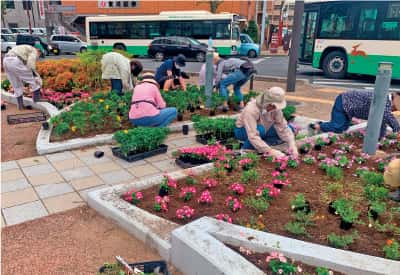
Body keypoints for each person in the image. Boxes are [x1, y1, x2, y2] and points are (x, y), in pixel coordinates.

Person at [234, 87, 298, 158]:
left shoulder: (275, 109)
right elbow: (252, 135)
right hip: (243, 131)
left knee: (290, 129)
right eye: (273, 105)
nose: (275, 108)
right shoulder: (251, 109)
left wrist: (292, 145)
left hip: (263, 129)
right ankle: (246, 150)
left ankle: (262, 146)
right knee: (260, 130)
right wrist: (271, 151)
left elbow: (283, 127)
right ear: (268, 103)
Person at [309, 90, 400, 139]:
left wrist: (381, 138)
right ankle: (316, 126)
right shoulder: (385, 102)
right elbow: (389, 118)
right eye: (395, 108)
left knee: (344, 127)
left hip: (348, 107)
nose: (394, 110)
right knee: (338, 127)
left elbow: (382, 122)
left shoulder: (386, 104)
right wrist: (398, 131)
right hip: (343, 102)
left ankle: (324, 125)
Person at [3, 44, 43, 109]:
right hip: (15, 61)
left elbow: (24, 61)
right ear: (38, 50)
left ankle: (20, 105)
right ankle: (36, 99)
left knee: (16, 84)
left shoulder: (24, 48)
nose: (38, 57)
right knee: (34, 80)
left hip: (6, 60)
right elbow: (31, 64)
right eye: (40, 54)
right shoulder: (34, 50)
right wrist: (36, 75)